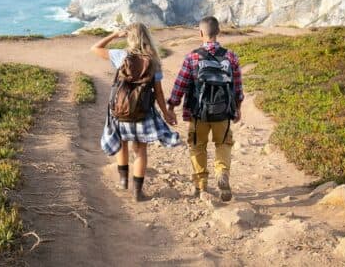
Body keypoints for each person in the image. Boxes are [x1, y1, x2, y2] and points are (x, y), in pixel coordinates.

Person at [90, 23, 180, 201]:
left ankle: (123, 182)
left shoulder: (121, 56)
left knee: (122, 144)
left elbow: (95, 48)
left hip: (121, 111)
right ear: (147, 37)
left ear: (129, 38)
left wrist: (115, 35)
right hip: (143, 113)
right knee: (140, 151)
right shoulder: (154, 61)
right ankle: (137, 193)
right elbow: (159, 92)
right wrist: (166, 113)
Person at [167, 16, 244, 202]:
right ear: (218, 32)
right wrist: (237, 108)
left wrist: (171, 106)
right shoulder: (231, 56)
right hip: (223, 112)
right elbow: (237, 87)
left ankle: (201, 186)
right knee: (223, 144)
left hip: (197, 112)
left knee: (197, 147)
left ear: (200, 33)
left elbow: (181, 84)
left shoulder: (192, 56)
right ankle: (222, 173)